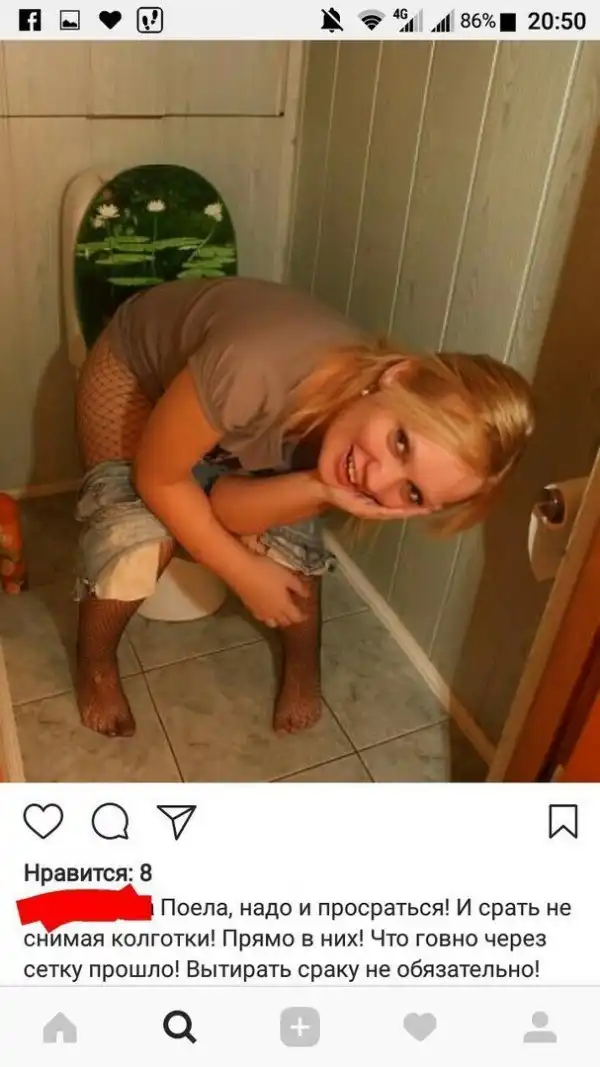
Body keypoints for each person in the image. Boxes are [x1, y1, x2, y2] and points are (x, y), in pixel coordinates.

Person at [74, 276, 535, 739]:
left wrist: (321, 489)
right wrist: (242, 573)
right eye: (401, 443)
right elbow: (159, 478)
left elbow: (227, 508)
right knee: (136, 544)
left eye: (413, 493)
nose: (377, 481)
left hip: (225, 411)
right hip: (138, 374)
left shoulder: (359, 421)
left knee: (292, 550)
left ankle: (302, 664)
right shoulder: (256, 366)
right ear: (399, 377)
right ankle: (95, 665)